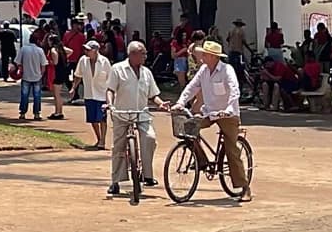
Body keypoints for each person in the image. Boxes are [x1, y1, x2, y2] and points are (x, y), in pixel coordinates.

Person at [173, 41, 250, 202]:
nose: (202, 57)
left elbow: (234, 90)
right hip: (209, 112)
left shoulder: (227, 70)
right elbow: (192, 87)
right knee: (189, 128)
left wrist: (229, 108)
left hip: (227, 115)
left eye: (205, 54)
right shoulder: (203, 71)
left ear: (214, 56)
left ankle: (244, 187)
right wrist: (181, 102)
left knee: (231, 150)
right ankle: (201, 160)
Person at [104, 42, 168, 196]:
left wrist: (161, 104)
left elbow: (153, 95)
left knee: (150, 138)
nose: (145, 57)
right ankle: (116, 181)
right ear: (132, 54)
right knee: (119, 146)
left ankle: (147, 174)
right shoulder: (117, 69)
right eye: (143, 54)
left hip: (142, 113)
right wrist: (110, 105)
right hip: (122, 113)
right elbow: (110, 90)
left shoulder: (147, 72)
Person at [68, 40, 109, 149]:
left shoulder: (104, 62)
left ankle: (103, 141)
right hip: (89, 94)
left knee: (102, 119)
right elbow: (78, 76)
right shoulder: (83, 61)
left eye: (88, 50)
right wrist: (73, 88)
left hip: (102, 94)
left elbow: (110, 78)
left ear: (95, 51)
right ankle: (99, 138)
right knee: (92, 119)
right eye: (85, 49)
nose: (86, 52)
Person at [15, 37, 48, 121]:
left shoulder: (23, 49)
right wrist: (41, 74)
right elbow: (43, 65)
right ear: (37, 41)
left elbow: (18, 62)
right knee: (37, 96)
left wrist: (21, 70)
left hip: (26, 76)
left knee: (24, 95)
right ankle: (36, 114)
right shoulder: (40, 50)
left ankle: (22, 113)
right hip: (37, 77)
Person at [45, 35, 69, 119]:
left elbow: (55, 62)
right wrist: (65, 58)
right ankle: (58, 111)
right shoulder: (61, 48)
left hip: (56, 72)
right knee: (57, 93)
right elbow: (70, 51)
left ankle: (58, 112)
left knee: (56, 94)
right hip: (61, 72)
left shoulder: (53, 50)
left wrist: (50, 61)